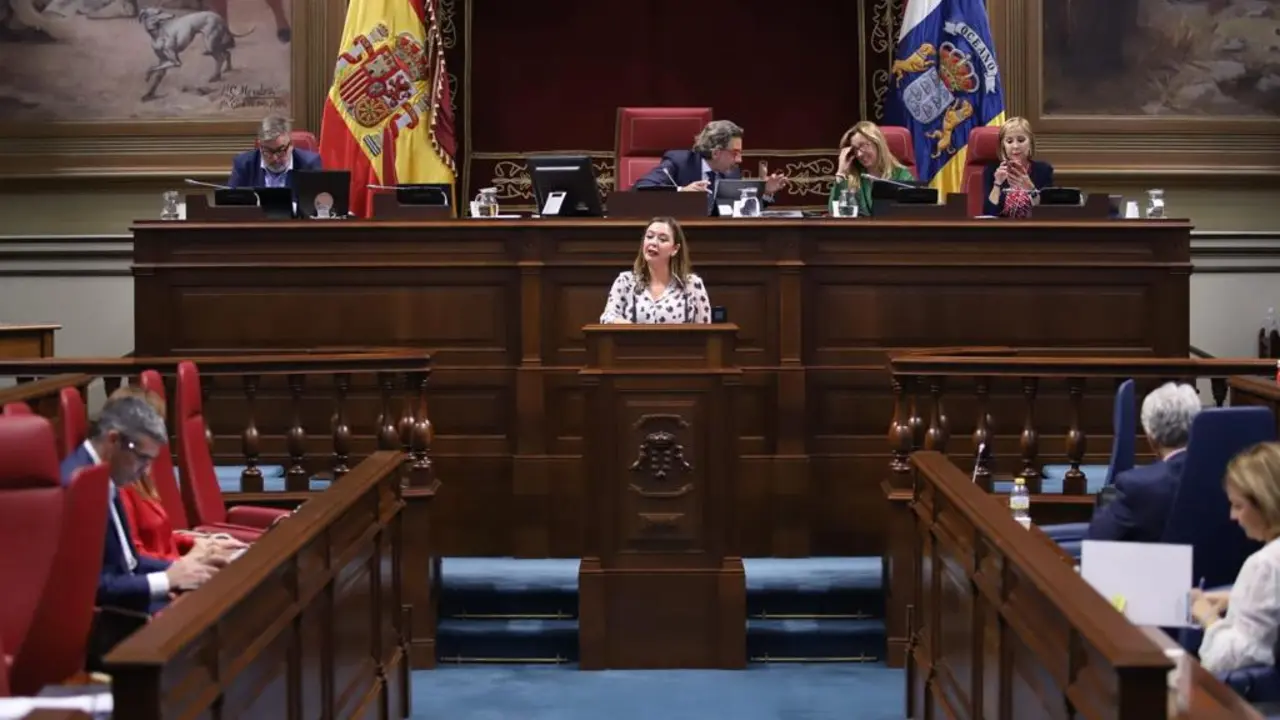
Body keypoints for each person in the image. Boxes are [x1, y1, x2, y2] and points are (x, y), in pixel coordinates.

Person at [60, 394, 215, 614]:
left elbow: (129, 562)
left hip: (127, 602)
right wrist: (166, 580)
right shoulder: (76, 486)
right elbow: (91, 587)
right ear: (114, 440)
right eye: (142, 458)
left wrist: (182, 568)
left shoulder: (106, 474)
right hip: (109, 619)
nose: (146, 470)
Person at [108, 387, 244, 566]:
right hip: (171, 577)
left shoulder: (141, 478)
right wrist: (188, 560)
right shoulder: (119, 487)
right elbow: (135, 559)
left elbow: (163, 537)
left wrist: (201, 543)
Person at [1190, 442, 1280, 673]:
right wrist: (1237, 597)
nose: (1232, 516)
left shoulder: (1265, 564)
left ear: (1266, 503)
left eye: (1238, 506)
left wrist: (1208, 616)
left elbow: (1228, 659)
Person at [1086, 382, 1200, 542]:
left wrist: (1107, 493)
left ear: (1150, 438)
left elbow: (1097, 540)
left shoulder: (1132, 485)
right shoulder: (1223, 476)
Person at [631, 120, 787, 210]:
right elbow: (640, 188)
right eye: (735, 153)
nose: (739, 160)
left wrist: (766, 192)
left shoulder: (732, 172)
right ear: (716, 153)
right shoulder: (679, 162)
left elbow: (742, 210)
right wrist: (681, 191)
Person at [599, 217, 711, 325]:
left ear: (675, 249)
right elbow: (607, 318)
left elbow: (705, 330)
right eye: (649, 236)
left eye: (662, 239)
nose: (653, 242)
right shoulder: (625, 282)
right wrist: (632, 329)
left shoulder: (692, 285)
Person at [828, 121, 916, 217]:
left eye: (863, 146)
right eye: (855, 149)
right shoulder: (852, 178)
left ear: (877, 143)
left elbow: (913, 212)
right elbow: (834, 212)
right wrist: (841, 172)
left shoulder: (901, 175)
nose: (859, 154)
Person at [981, 117, 1054, 218]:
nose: (1015, 146)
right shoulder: (991, 171)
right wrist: (997, 184)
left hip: (1033, 227)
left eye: (1021, 140)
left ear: (1030, 143)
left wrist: (1030, 188)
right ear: (1003, 146)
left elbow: (1046, 213)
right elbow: (988, 214)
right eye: (1009, 141)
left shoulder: (1043, 170)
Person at [227, 115, 322, 190]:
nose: (275, 158)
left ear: (291, 145)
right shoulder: (244, 165)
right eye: (268, 152)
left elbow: (319, 204)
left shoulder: (309, 165)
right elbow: (231, 203)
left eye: (280, 151)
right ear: (260, 146)